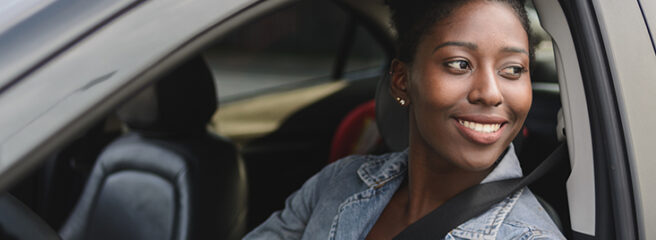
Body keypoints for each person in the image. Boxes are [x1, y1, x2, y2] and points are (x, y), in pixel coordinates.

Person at [244, 0, 565, 239]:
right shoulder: (337, 184)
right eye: (459, 64)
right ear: (401, 80)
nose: (490, 93)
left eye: (512, 69)